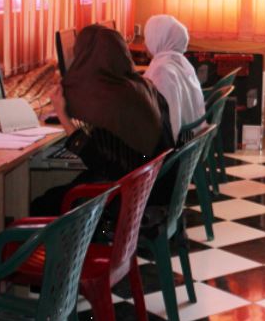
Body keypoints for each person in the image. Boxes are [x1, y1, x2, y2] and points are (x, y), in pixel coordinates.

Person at [31, 25, 175, 215]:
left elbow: (100, 162)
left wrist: (64, 118)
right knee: (56, 192)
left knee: (40, 203)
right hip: (150, 190)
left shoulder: (111, 101)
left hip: (128, 201)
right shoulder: (138, 86)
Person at [143, 15, 205, 143]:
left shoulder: (162, 71)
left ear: (159, 39)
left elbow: (169, 126)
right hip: (190, 140)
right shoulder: (181, 63)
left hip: (177, 150)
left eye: (148, 37)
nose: (144, 43)